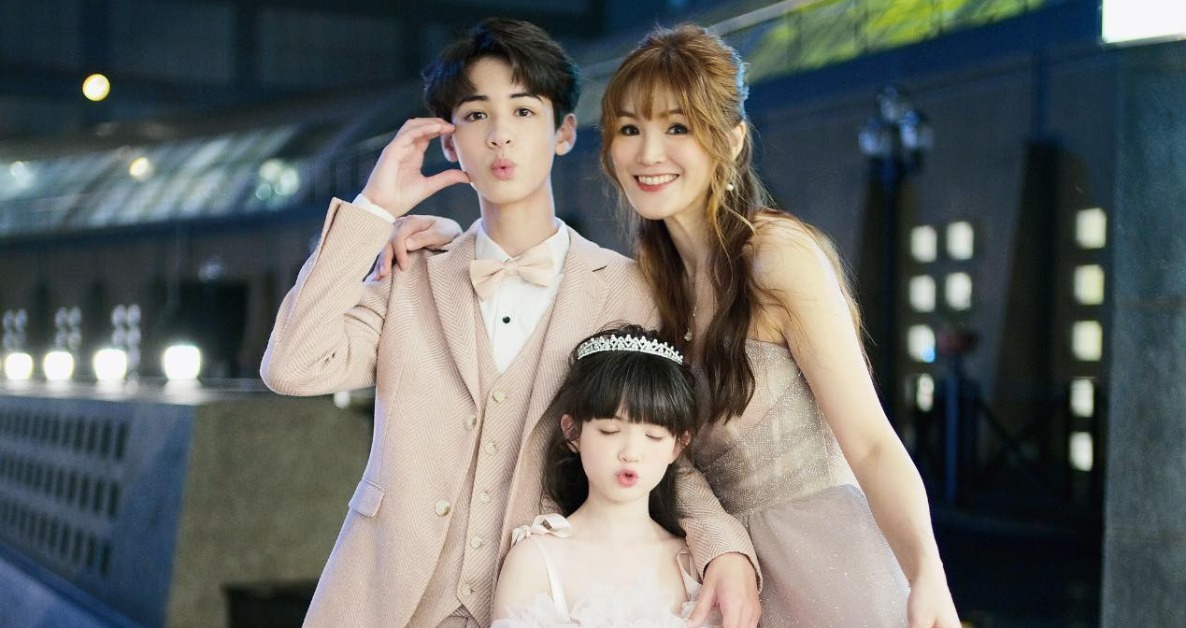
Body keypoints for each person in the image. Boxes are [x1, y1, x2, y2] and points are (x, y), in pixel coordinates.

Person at [261, 18, 759, 628]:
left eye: (524, 111)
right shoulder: (409, 273)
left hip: (535, 597)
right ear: (450, 143)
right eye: (476, 115)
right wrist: (373, 212)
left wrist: (722, 545)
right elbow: (291, 366)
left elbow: (657, 440)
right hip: (384, 600)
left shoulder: (627, 290)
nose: (500, 135)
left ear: (564, 132)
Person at [597, 24, 961, 627]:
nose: (648, 153)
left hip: (828, 567)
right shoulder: (647, 284)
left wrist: (927, 572)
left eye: (678, 128)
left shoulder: (775, 257)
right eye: (629, 128)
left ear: (731, 139)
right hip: (720, 576)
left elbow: (870, 441)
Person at [491, 325, 721, 627]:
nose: (631, 453)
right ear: (573, 432)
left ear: (678, 446)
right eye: (610, 431)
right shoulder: (535, 560)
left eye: (653, 436)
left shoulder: (697, 565)